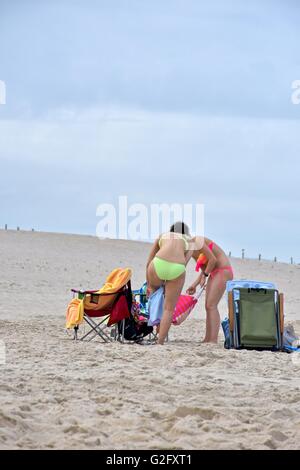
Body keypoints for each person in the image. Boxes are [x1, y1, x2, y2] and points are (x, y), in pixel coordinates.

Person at [146, 221, 193, 345]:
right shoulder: (190, 241)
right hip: (177, 268)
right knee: (169, 309)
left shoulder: (163, 235)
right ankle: (160, 341)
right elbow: (184, 263)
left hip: (158, 264)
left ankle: (156, 325)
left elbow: (150, 259)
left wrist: (149, 285)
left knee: (156, 298)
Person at [187, 237, 233, 343]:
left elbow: (213, 260)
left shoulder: (197, 241)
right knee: (208, 306)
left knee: (212, 305)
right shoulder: (191, 251)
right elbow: (204, 269)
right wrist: (194, 285)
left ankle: (213, 339)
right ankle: (207, 339)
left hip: (223, 270)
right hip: (214, 272)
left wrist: (205, 275)